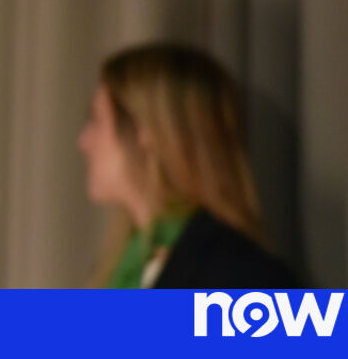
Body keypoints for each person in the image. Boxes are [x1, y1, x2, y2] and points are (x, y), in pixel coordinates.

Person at [77, 41, 298, 289]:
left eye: (97, 120)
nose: (83, 141)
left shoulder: (243, 275)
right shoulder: (121, 263)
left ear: (145, 130)